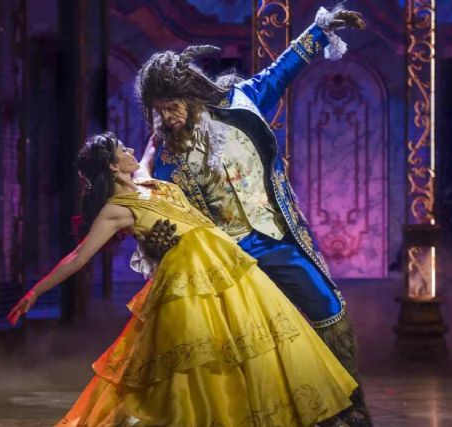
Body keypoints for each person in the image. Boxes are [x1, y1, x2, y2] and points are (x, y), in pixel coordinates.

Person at [8, 132, 359, 427]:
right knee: (194, 364)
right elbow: (79, 256)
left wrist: (156, 137)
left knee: (249, 345)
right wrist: (36, 291)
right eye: (122, 150)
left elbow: (147, 155)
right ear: (113, 167)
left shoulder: (146, 180)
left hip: (225, 268)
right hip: (187, 284)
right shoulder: (116, 209)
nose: (130, 151)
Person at [135, 5, 371, 426]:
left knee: (329, 308)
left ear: (190, 96)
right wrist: (156, 239)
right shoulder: (166, 158)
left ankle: (345, 407)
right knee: (246, 343)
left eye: (171, 106)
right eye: (158, 110)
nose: (165, 118)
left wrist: (321, 30)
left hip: (276, 237)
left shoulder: (241, 103)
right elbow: (161, 211)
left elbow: (282, 69)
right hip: (227, 259)